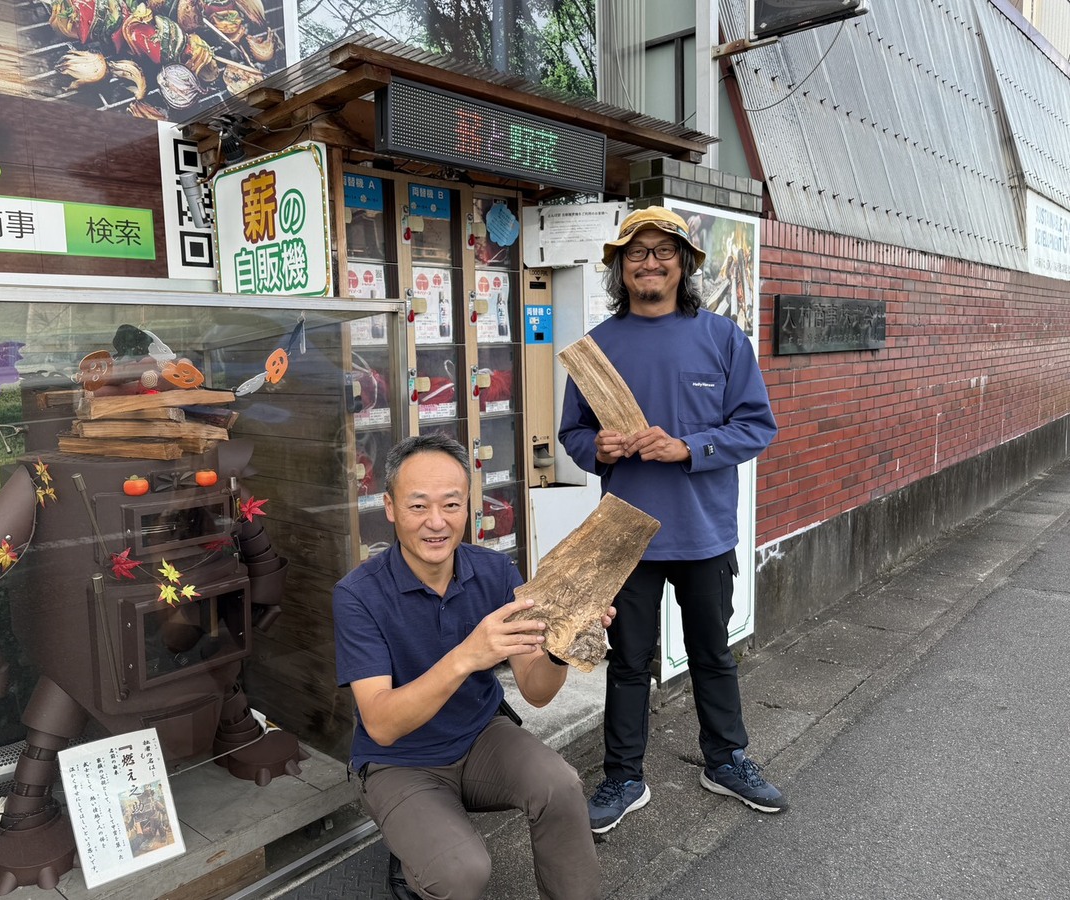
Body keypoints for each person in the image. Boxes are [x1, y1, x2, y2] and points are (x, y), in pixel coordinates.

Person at [558, 206, 785, 834]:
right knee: (629, 662)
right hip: (626, 533)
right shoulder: (598, 348)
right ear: (620, 267)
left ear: (684, 264)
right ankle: (624, 777)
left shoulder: (722, 338)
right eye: (636, 252)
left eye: (663, 252)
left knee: (712, 653)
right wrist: (597, 448)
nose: (650, 263)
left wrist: (689, 447)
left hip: (703, 531)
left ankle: (726, 759)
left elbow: (756, 426)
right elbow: (572, 433)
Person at [333, 434, 609, 900]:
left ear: (468, 506)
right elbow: (380, 724)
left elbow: (536, 690)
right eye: (418, 506)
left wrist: (563, 646)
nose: (436, 522)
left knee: (561, 786)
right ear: (390, 507)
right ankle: (420, 847)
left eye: (451, 504)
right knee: (461, 872)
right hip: (399, 761)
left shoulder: (495, 572)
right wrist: (466, 656)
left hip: (481, 736)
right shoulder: (357, 595)